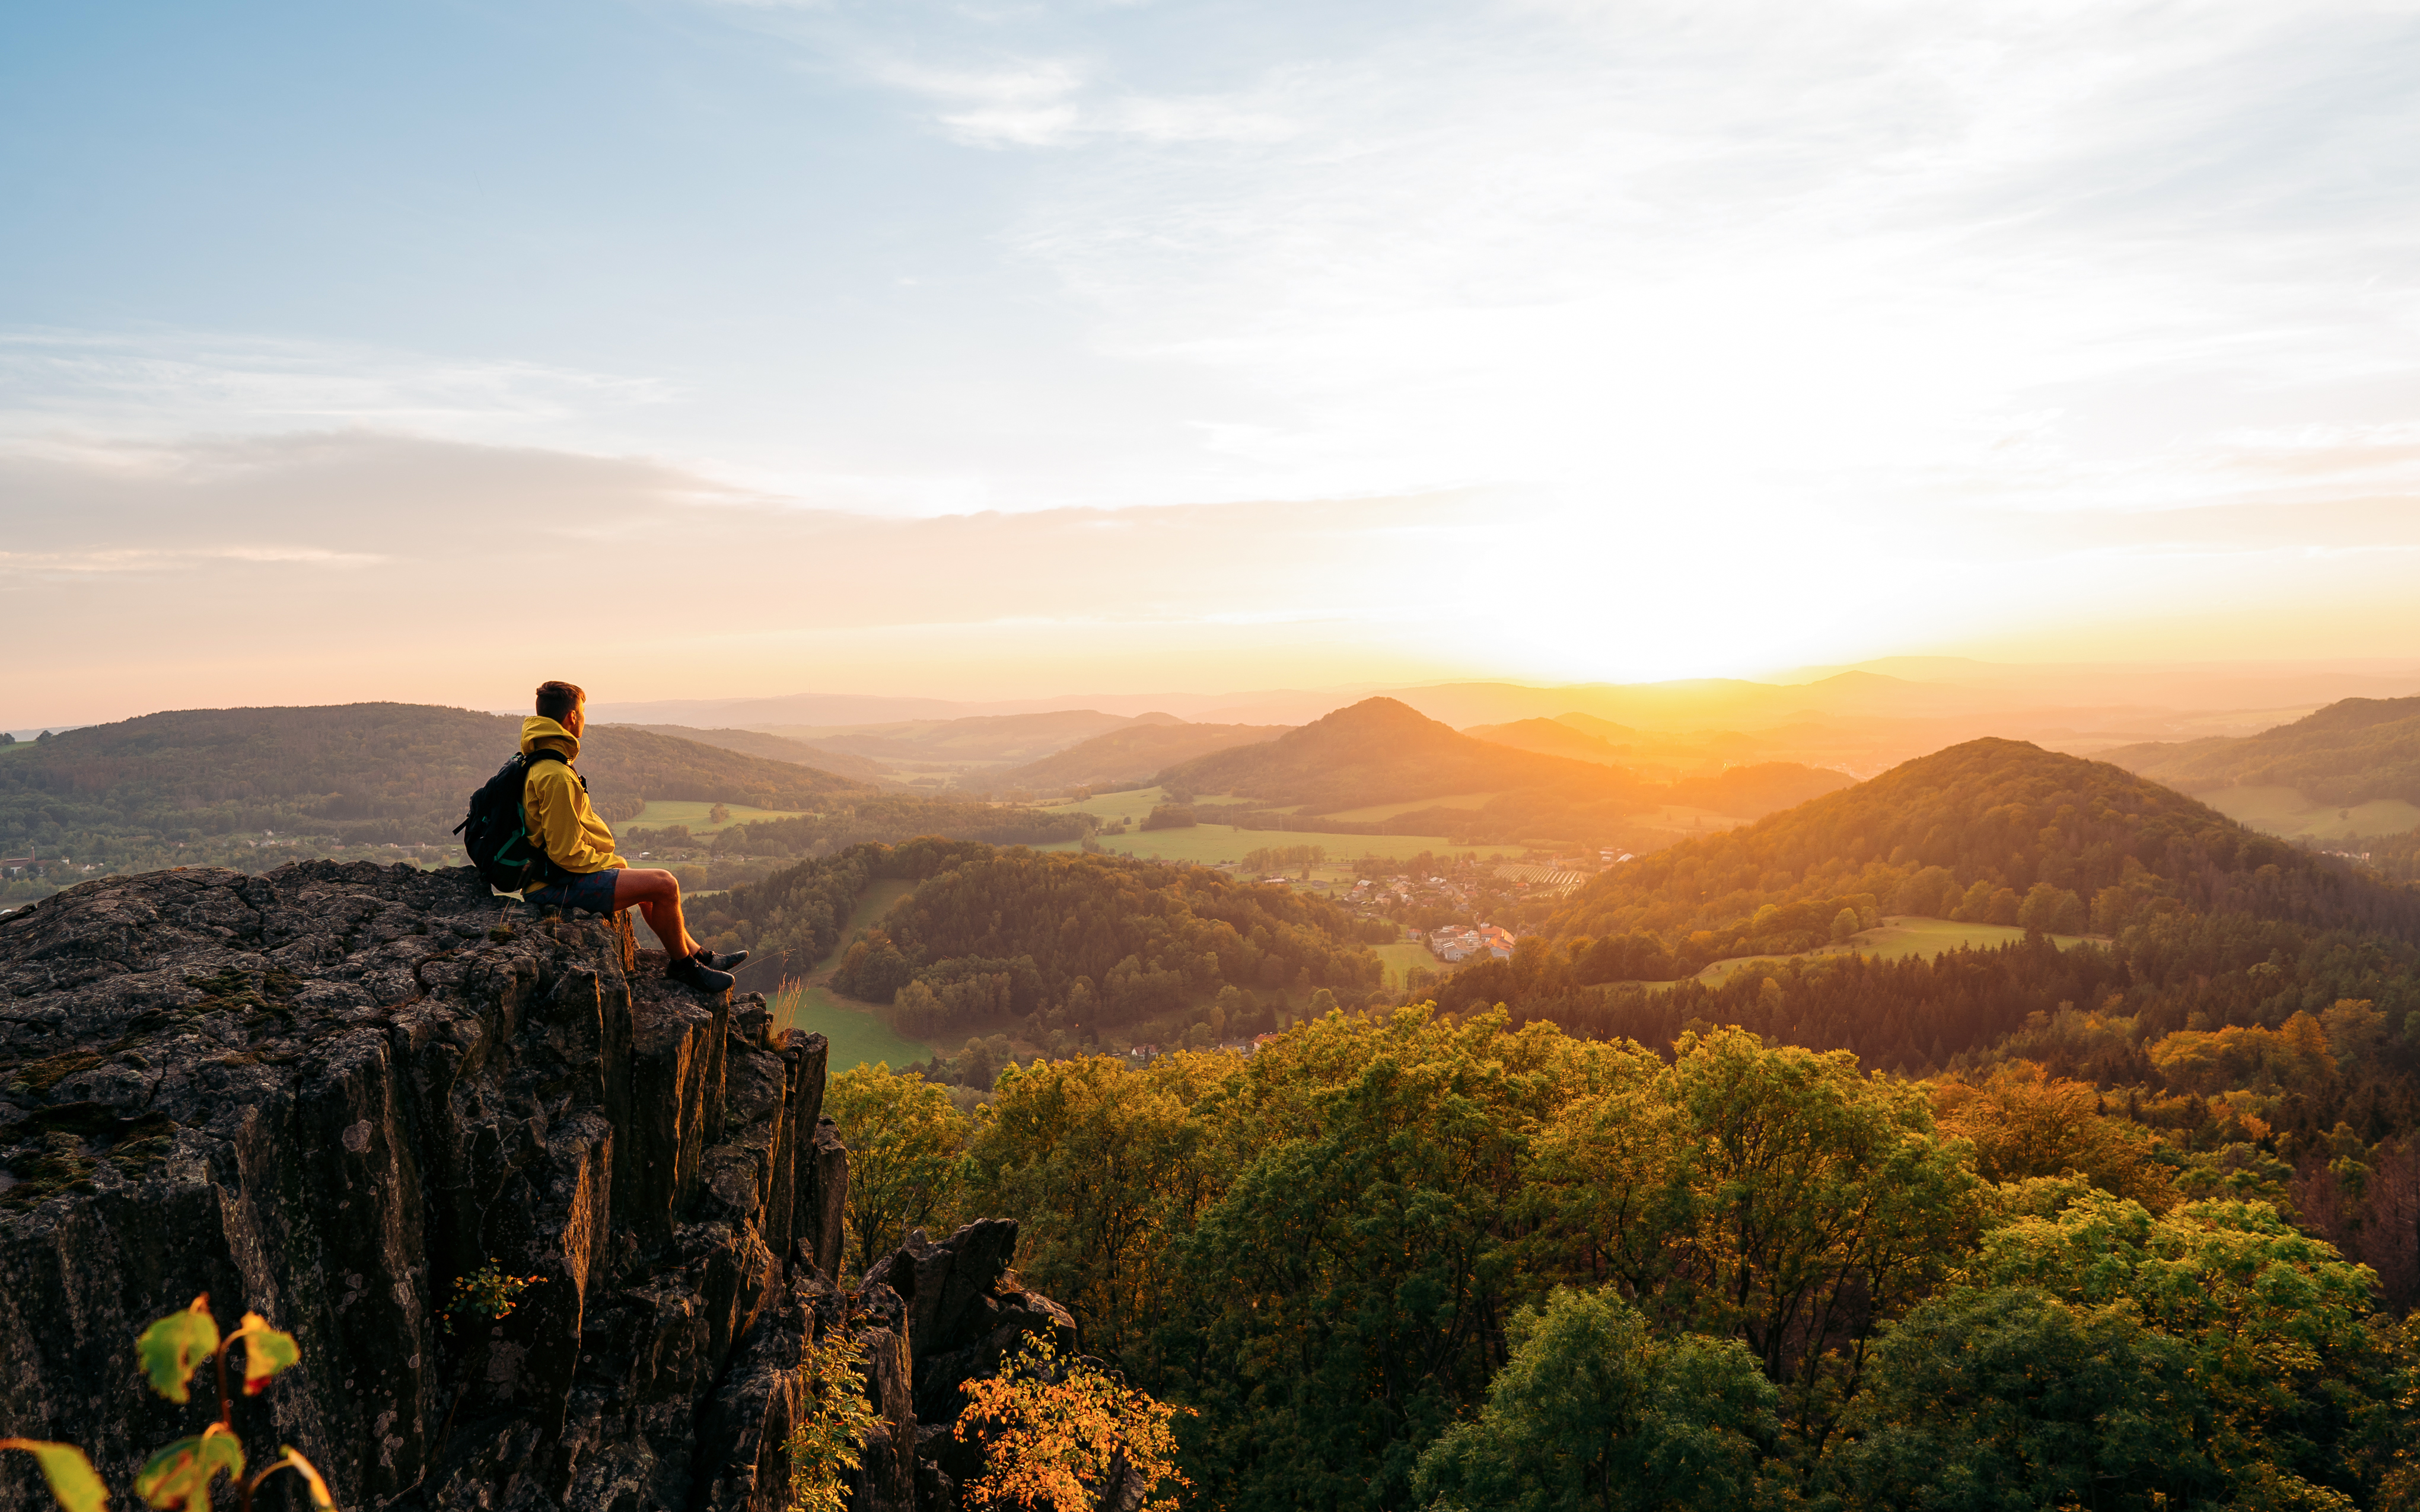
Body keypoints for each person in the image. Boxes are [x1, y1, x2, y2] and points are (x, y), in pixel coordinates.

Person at [517, 680, 746, 993]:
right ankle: (684, 967)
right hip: (554, 887)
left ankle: (698, 955)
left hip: (554, 879)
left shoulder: (544, 761)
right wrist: (612, 864)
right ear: (571, 717)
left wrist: (615, 866)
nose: (584, 719)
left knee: (646, 883)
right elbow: (565, 854)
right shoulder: (555, 775)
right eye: (582, 713)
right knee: (666, 885)